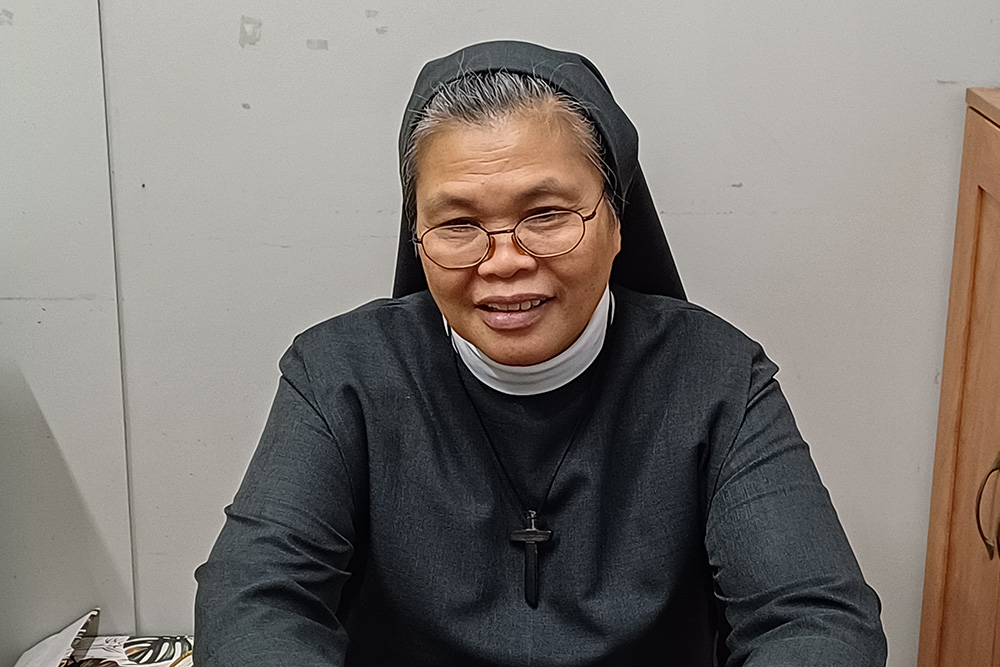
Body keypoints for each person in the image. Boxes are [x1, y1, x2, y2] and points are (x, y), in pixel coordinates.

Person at [194, 40, 887, 666]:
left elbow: (818, 619)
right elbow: (254, 599)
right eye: (459, 222)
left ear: (617, 220)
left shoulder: (718, 379)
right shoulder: (339, 373)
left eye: (546, 214)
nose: (503, 262)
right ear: (417, 236)